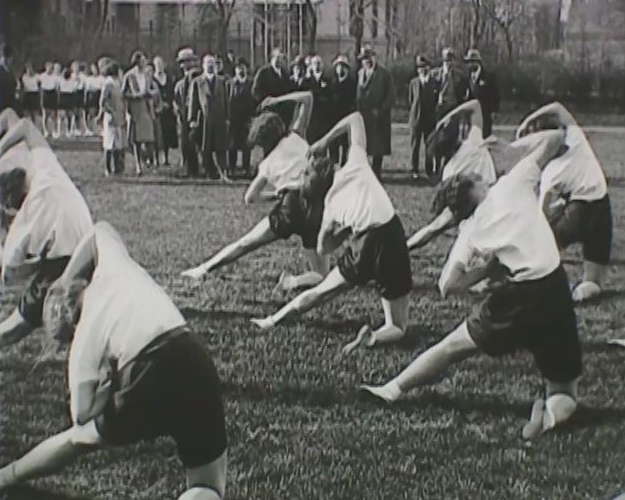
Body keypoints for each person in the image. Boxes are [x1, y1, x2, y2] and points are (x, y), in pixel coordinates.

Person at [362, 130, 582, 441]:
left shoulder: (471, 230)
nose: (482, 177)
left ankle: (392, 388)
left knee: (451, 347)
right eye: (476, 178)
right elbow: (556, 137)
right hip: (554, 286)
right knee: (564, 390)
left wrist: (484, 270)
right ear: (472, 188)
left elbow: (446, 285)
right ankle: (548, 417)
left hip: (517, 295)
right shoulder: (511, 184)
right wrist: (512, 146)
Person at [0, 222, 228, 500]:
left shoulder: (83, 338)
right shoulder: (112, 268)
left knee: (78, 437)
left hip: (146, 371)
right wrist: (67, 277)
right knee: (208, 484)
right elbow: (100, 230)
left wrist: (106, 387)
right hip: (191, 352)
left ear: (70, 330)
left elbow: (81, 414)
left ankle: (8, 476)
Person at [250, 112, 413, 355]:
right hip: (391, 234)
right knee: (398, 326)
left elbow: (323, 248)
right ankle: (374, 338)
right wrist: (325, 140)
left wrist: (344, 230)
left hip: (362, 244)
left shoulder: (329, 208)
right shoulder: (356, 164)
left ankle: (272, 319)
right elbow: (356, 118)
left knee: (320, 292)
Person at [181, 91, 330, 294]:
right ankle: (292, 282)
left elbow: (250, 198)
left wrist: (274, 195)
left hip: (290, 204)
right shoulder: (297, 136)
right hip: (315, 203)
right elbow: (308, 98)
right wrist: (276, 100)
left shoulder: (267, 164)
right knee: (321, 274)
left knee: (246, 243)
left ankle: (203, 269)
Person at [0, 114, 93, 349]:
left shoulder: (23, 224)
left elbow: (9, 276)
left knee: (15, 327)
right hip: (92, 242)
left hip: (64, 260)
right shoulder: (45, 170)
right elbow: (24, 125)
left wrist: (33, 263)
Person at [516, 102, 612, 302]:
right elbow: (558, 107)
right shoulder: (576, 140)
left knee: (544, 245)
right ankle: (580, 293)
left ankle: (538, 285)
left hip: (578, 212)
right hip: (603, 209)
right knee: (593, 282)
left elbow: (541, 217)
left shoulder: (551, 173)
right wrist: (530, 119)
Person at [407, 99, 497, 251]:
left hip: (465, 205)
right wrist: (450, 116)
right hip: (488, 200)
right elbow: (476, 104)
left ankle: (406, 247)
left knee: (434, 228)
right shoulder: (473, 143)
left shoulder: (449, 170)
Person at [188, 54, 230, 181]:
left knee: (221, 148)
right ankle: (210, 173)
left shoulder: (221, 81)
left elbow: (226, 101)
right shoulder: (197, 82)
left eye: (212, 63)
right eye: (208, 63)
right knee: (205, 147)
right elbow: (193, 102)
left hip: (219, 119)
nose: (210, 66)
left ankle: (224, 173)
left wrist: (227, 117)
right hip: (204, 120)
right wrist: (192, 119)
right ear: (203, 65)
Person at [355, 45, 395, 179]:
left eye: (368, 58)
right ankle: (365, 171)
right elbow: (358, 94)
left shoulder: (384, 74)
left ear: (373, 57)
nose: (366, 61)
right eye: (363, 59)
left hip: (379, 116)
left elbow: (391, 95)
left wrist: (381, 110)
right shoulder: (360, 73)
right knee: (365, 145)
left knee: (379, 146)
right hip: (364, 116)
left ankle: (376, 172)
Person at [122, 51, 155, 175]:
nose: (145, 63)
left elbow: (154, 89)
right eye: (143, 60)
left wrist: (151, 94)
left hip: (146, 108)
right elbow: (123, 93)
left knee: (149, 138)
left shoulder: (147, 75)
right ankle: (138, 165)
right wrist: (135, 96)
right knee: (136, 140)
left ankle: (148, 159)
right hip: (135, 109)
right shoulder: (129, 75)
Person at [408, 55, 438, 181]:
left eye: (424, 67)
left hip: (429, 119)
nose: (422, 69)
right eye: (420, 67)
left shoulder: (434, 83)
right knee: (415, 145)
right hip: (416, 119)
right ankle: (414, 170)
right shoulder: (413, 82)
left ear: (429, 67)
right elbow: (411, 100)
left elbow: (436, 100)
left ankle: (429, 170)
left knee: (429, 146)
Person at [174, 48, 201, 177]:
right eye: (184, 62)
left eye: (189, 61)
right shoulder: (180, 84)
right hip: (184, 115)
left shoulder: (198, 80)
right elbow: (177, 100)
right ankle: (189, 167)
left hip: (197, 114)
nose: (186, 64)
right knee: (185, 143)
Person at [98, 60, 126, 177]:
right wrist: (109, 112)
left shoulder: (117, 82)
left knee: (117, 142)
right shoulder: (108, 83)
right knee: (109, 142)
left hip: (119, 114)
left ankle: (117, 167)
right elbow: (103, 101)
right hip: (111, 115)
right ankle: (107, 168)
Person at [463, 49, 500, 138]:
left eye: (472, 62)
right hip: (472, 116)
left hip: (485, 115)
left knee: (484, 139)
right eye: (468, 62)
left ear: (478, 62)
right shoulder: (467, 78)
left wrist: (494, 110)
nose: (470, 64)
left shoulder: (488, 77)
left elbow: (496, 95)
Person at [227, 57, 255, 176]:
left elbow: (254, 101)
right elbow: (226, 101)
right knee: (232, 145)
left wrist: (252, 118)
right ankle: (232, 168)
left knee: (246, 145)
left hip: (246, 119)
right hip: (233, 119)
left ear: (246, 69)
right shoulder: (230, 84)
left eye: (242, 67)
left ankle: (246, 168)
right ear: (235, 70)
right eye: (238, 68)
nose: (240, 70)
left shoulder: (251, 84)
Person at [252, 48, 293, 124]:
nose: (279, 60)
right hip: (268, 112)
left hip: (282, 113)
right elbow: (256, 90)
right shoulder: (263, 72)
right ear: (272, 58)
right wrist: (266, 101)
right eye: (277, 57)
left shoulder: (285, 74)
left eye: (281, 58)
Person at [329, 55, 357, 166]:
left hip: (346, 115)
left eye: (343, 66)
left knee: (345, 142)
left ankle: (344, 163)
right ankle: (333, 162)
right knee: (333, 141)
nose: (340, 69)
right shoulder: (331, 81)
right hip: (333, 117)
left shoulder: (351, 82)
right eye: (338, 66)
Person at [153, 55, 179, 166]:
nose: (159, 66)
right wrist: (158, 105)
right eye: (157, 64)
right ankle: (156, 158)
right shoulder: (152, 79)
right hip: (156, 111)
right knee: (157, 135)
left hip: (168, 110)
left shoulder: (169, 78)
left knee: (167, 134)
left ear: (164, 65)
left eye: (161, 64)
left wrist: (169, 103)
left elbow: (172, 92)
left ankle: (166, 158)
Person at [303, 55, 333, 144]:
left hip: (324, 118)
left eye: (319, 63)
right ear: (311, 66)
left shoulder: (328, 81)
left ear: (322, 65)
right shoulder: (306, 81)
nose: (317, 65)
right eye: (315, 63)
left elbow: (330, 99)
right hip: (311, 118)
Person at [435, 48, 466, 120]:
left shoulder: (459, 75)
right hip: (439, 108)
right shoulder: (434, 74)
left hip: (453, 108)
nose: (449, 63)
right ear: (443, 61)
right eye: (446, 61)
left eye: (450, 60)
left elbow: (462, 93)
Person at [39, 61, 59, 138]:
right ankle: (45, 131)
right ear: (46, 68)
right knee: (45, 115)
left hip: (52, 94)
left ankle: (53, 131)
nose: (49, 69)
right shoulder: (42, 76)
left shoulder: (55, 77)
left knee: (53, 115)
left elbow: (57, 88)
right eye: (48, 68)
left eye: (51, 68)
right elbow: (39, 87)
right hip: (45, 94)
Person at [85, 63, 105, 136]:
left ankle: (100, 130)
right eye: (93, 69)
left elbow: (102, 88)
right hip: (92, 97)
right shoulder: (89, 79)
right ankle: (91, 129)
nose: (94, 71)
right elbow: (88, 89)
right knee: (91, 113)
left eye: (95, 69)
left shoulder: (101, 78)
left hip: (99, 95)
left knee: (99, 113)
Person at [58, 66, 78, 138]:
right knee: (61, 115)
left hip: (70, 96)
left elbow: (75, 87)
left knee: (69, 115)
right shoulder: (60, 79)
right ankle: (59, 131)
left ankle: (69, 131)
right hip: (63, 96)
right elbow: (58, 88)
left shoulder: (73, 79)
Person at [0, 44, 17, 113]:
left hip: (9, 104)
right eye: (5, 58)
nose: (8, 60)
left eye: (9, 58)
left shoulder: (11, 70)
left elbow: (13, 85)